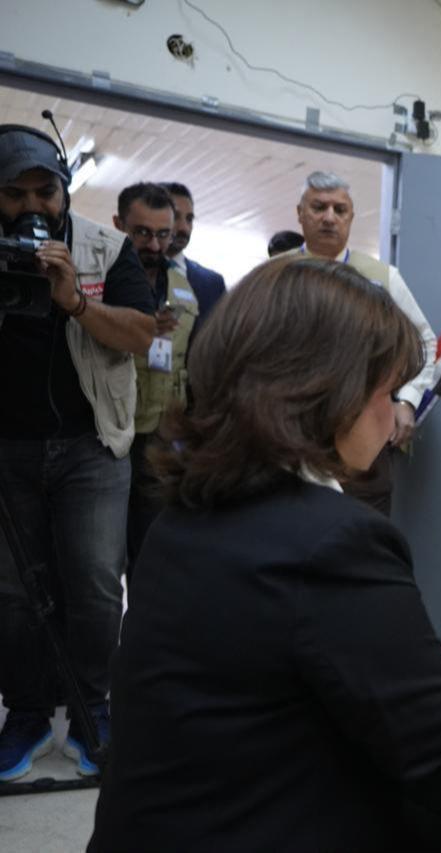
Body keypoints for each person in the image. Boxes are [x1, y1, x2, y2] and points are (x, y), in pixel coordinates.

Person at [87, 257, 441, 852]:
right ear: (324, 392)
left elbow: (268, 679)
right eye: (385, 391)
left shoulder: (186, 518)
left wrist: (408, 683)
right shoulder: (334, 541)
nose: (392, 416)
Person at [0, 123, 155, 781]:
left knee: (95, 584)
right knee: (11, 591)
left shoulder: (105, 247)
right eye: (15, 194)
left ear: (65, 190)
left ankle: (93, 704)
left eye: (46, 191)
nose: (33, 206)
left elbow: (143, 334)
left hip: (92, 445)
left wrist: (74, 305)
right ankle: (28, 711)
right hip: (8, 447)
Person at [281, 170, 437, 514]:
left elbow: (424, 341)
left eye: (339, 210)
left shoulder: (382, 278)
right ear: (300, 213)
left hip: (363, 439)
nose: (329, 218)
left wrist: (407, 401)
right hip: (290, 434)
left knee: (361, 532)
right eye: (319, 207)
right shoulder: (276, 274)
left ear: (352, 217)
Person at [113, 182, 199, 570]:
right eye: (142, 233)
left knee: (151, 554)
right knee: (101, 559)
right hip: (107, 434)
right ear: (119, 225)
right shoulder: (100, 283)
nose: (153, 245)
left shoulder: (183, 288)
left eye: (162, 235)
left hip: (159, 436)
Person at [160, 181, 226, 327]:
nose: (184, 227)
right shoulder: (128, 272)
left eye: (189, 219)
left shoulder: (213, 283)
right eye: (175, 217)